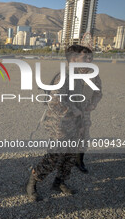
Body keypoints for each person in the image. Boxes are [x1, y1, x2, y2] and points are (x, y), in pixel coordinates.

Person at [26, 44, 97, 201]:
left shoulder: (78, 76)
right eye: (84, 57)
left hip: (75, 123)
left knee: (70, 156)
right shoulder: (64, 76)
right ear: (73, 59)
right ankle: (32, 182)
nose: (88, 60)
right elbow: (56, 100)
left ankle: (60, 182)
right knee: (54, 156)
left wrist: (82, 117)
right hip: (60, 124)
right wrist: (74, 110)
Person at [75, 51, 102, 173]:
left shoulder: (94, 74)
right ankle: (64, 162)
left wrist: (93, 104)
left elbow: (98, 92)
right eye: (84, 58)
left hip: (85, 110)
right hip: (70, 110)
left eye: (90, 58)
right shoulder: (70, 72)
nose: (88, 60)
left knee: (84, 136)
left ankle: (79, 161)